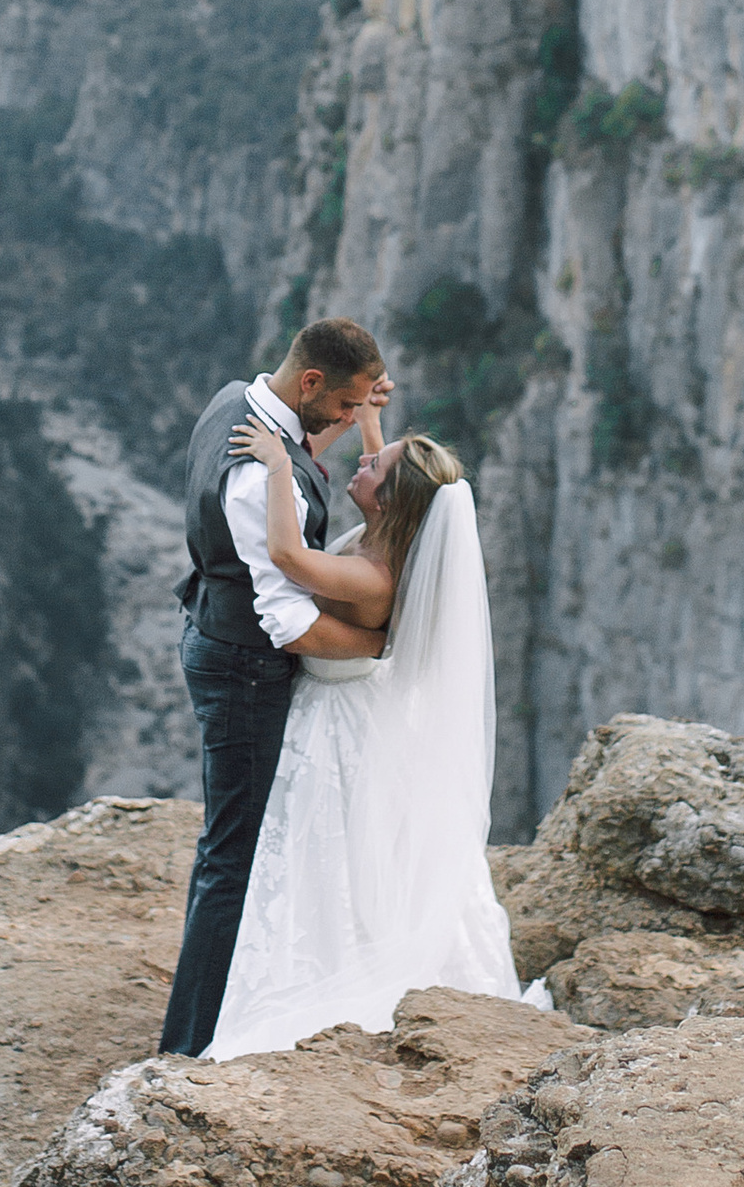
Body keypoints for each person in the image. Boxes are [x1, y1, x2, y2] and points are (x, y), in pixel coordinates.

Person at [198, 390, 522, 1059]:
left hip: (338, 721)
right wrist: (369, 417)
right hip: (350, 700)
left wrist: (279, 466)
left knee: (332, 862)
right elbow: (382, 464)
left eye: (374, 468)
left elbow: (288, 557)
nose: (362, 464)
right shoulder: (389, 533)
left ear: (388, 503)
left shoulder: (374, 576)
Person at [157, 317, 391, 1059]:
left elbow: (303, 449)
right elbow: (289, 624)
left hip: (214, 634)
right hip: (245, 667)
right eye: (349, 406)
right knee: (232, 856)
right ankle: (188, 1047)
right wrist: (381, 649)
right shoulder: (260, 476)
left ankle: (216, 1014)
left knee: (235, 846)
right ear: (313, 383)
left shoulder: (240, 403)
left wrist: (365, 424)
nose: (353, 421)